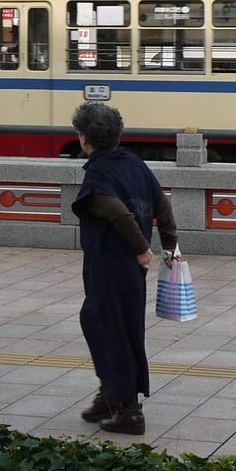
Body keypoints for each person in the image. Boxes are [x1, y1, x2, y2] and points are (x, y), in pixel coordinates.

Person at [70, 102, 176, 436]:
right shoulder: (134, 162)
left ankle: (127, 410)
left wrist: (142, 249)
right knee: (118, 327)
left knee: (107, 328)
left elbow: (116, 213)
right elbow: (163, 203)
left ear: (85, 139)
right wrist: (169, 243)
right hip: (129, 269)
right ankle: (110, 394)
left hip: (110, 264)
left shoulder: (98, 173)